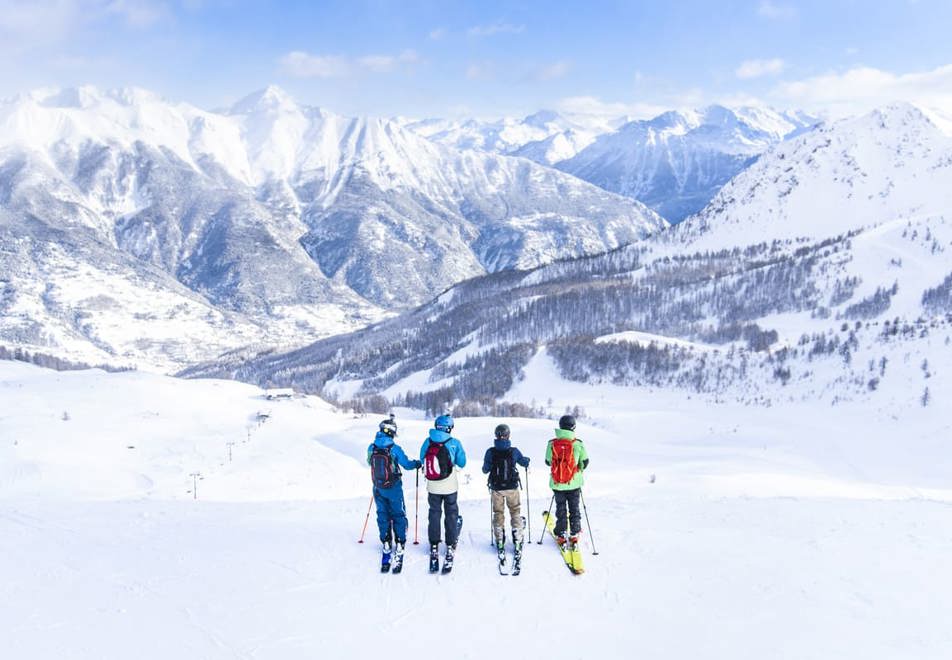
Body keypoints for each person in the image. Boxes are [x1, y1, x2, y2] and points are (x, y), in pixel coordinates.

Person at [367, 417, 421, 566]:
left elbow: (368, 462)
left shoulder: (372, 447)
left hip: (378, 487)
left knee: (382, 514)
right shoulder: (394, 448)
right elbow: (407, 465)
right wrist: (417, 463)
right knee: (398, 514)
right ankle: (400, 541)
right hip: (394, 487)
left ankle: (386, 541)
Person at [419, 414, 467, 570]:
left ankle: (434, 544)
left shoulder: (428, 441)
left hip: (432, 486)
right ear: (450, 428)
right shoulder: (454, 443)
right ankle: (450, 544)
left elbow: (422, 460)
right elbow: (462, 462)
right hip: (450, 486)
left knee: (434, 513)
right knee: (451, 514)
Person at [482, 423, 530, 554]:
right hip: (512, 487)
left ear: (496, 435)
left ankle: (499, 539)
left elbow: (485, 470)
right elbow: (523, 462)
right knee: (515, 511)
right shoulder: (514, 451)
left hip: (496, 488)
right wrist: (526, 460)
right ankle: (518, 538)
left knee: (498, 512)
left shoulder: (490, 452)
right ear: (508, 435)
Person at [545, 414, 589, 548]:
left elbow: (548, 461)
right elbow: (585, 462)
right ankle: (574, 533)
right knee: (574, 508)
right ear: (573, 427)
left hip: (558, 484)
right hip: (573, 483)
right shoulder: (578, 444)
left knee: (561, 508)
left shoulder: (552, 443)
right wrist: (576, 471)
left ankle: (561, 533)